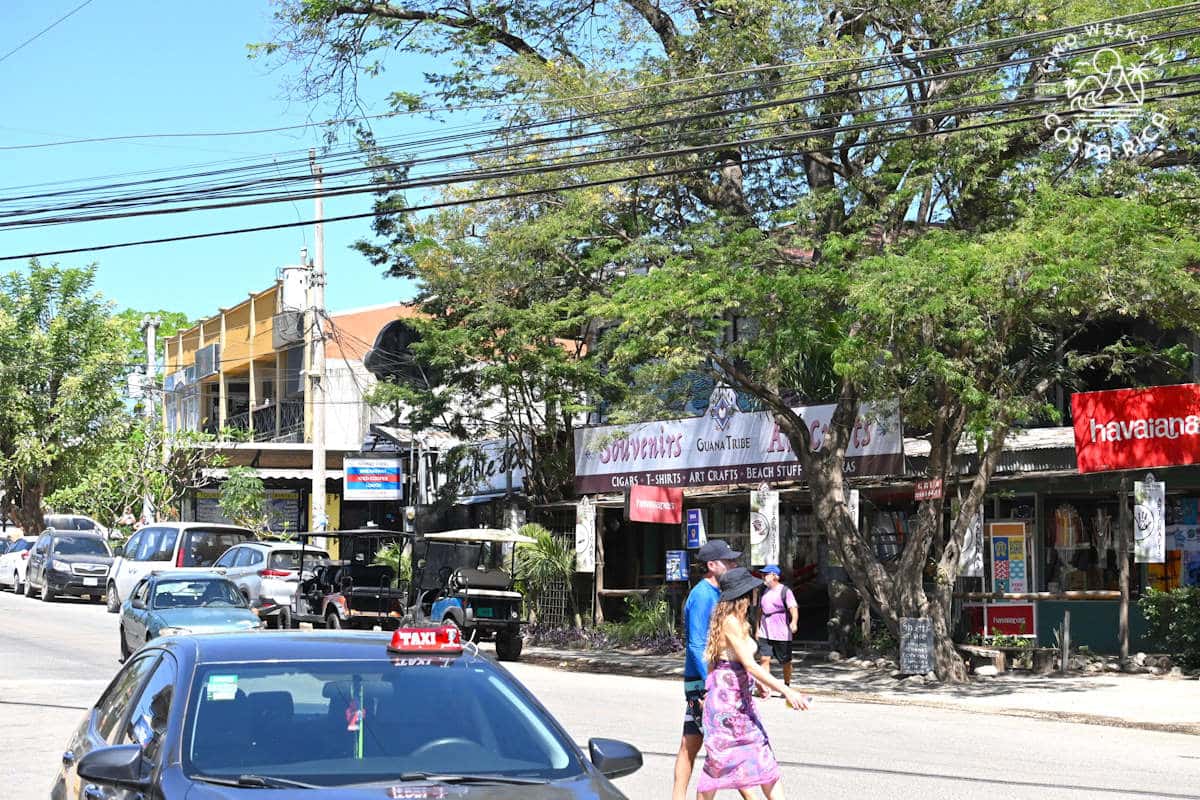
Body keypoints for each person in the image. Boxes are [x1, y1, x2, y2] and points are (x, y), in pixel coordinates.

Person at [697, 567, 808, 799]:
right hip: (726, 707)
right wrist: (786, 690)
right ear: (744, 595)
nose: (755, 595)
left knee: (764, 761)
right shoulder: (729, 621)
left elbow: (726, 661)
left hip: (741, 702)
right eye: (752, 591)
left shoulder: (740, 621)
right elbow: (748, 664)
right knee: (717, 767)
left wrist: (755, 683)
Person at [672, 540, 753, 800]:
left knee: (693, 743)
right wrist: (710, 683)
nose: (733, 564)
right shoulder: (702, 595)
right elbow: (696, 645)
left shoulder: (720, 593)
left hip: (715, 681)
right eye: (728, 561)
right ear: (711, 565)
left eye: (733, 561)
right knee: (721, 744)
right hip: (704, 682)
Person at [754, 565, 799, 697]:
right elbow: (759, 611)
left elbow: (793, 608)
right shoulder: (763, 591)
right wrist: (757, 628)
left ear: (775, 576)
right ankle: (764, 687)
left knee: (786, 661)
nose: (763, 577)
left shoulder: (785, 591)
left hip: (781, 632)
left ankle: (786, 684)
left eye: (766, 574)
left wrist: (794, 622)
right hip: (765, 630)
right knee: (764, 658)